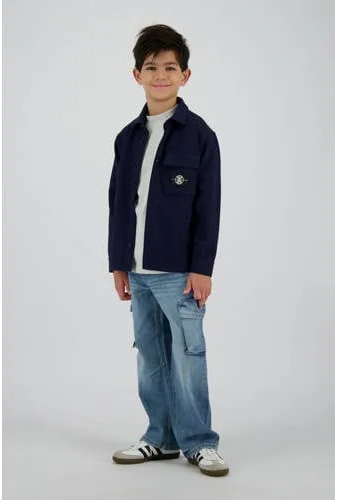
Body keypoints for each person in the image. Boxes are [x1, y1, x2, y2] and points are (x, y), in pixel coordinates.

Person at [107, 24, 228, 477]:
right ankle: (160, 437)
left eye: (170, 67)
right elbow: (119, 203)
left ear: (185, 75)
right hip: (138, 271)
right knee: (150, 358)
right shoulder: (127, 137)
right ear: (136, 75)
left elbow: (208, 208)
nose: (161, 75)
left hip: (179, 273)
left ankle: (200, 441)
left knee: (188, 357)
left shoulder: (200, 136)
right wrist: (118, 263)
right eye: (151, 67)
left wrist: (202, 268)